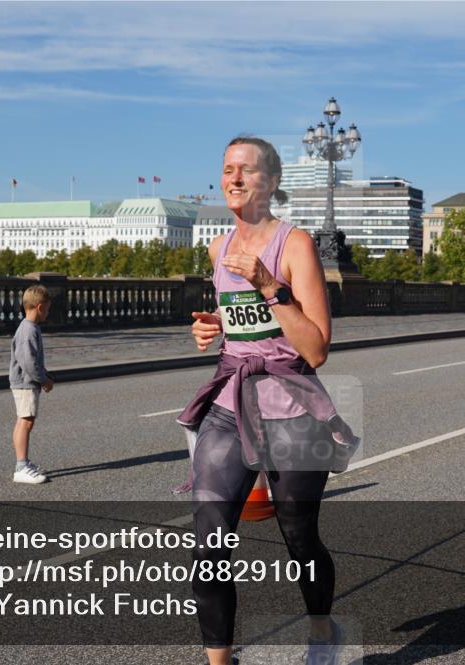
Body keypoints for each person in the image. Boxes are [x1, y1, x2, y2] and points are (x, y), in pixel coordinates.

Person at [177, 137, 356, 665]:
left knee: (299, 537)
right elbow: (241, 324)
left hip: (293, 408)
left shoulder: (293, 244)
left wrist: (268, 285)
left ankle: (322, 630)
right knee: (209, 546)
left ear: (271, 182)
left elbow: (316, 349)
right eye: (227, 169)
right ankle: (220, 660)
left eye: (246, 171)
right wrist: (215, 328)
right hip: (231, 403)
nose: (233, 179)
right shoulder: (216, 249)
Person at [9, 285, 54, 484]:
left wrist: (44, 374)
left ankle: (23, 463)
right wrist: (43, 379)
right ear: (39, 307)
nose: (49, 312)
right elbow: (28, 362)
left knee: (24, 420)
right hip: (26, 382)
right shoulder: (28, 330)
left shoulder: (29, 327)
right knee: (26, 421)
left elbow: (32, 360)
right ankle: (21, 466)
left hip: (26, 381)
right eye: (48, 308)